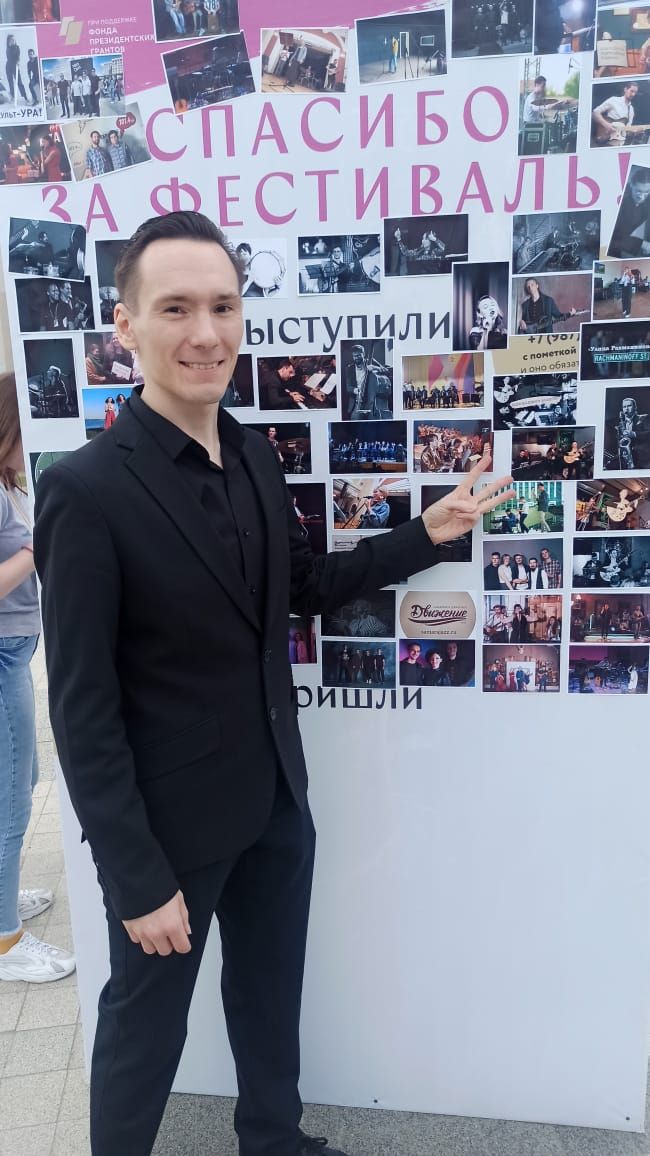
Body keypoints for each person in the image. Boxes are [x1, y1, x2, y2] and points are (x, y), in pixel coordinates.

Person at [33, 210, 511, 1156]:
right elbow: (82, 708)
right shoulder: (85, 491)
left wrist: (429, 533)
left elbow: (305, 587)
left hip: (276, 802)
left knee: (267, 993)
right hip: (169, 832)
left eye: (222, 306)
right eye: (176, 308)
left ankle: (273, 1139)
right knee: (144, 1027)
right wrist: (134, 877)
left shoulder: (252, 451)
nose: (205, 333)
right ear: (126, 325)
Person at [0, 374, 76, 984]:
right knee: (11, 798)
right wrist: (37, 548)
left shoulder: (10, 483)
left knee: (20, 780)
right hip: (2, 654)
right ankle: (6, 942)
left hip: (14, 650)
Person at [344, 344, 392, 420]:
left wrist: (375, 368)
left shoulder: (370, 361)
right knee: (355, 420)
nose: (356, 358)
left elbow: (388, 371)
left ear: (363, 354)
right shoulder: (349, 368)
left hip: (372, 402)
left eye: (358, 355)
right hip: (358, 402)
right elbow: (348, 387)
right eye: (354, 356)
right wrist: (356, 390)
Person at [592, 83, 639, 148]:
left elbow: (627, 130)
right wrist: (606, 125)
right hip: (606, 140)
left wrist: (634, 132)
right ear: (625, 89)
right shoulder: (614, 100)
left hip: (618, 144)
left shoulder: (631, 109)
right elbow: (595, 113)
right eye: (632, 91)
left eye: (635, 92)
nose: (633, 94)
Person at [6, 33, 27, 103]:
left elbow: (18, 56)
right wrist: (10, 47)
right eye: (11, 40)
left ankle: (25, 97)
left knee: (19, 82)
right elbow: (9, 56)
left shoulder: (17, 47)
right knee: (10, 82)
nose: (13, 41)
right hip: (8, 66)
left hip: (15, 66)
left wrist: (18, 61)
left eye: (14, 39)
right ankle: (13, 96)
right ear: (8, 41)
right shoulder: (8, 48)